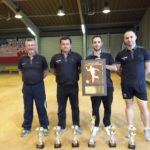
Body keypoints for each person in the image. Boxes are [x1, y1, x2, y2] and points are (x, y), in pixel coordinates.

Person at [115, 30, 150, 141]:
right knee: (128, 106)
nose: (129, 39)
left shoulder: (143, 51)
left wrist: (140, 78)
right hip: (126, 85)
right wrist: (125, 78)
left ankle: (147, 130)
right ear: (124, 40)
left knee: (143, 108)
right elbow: (117, 70)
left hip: (140, 85)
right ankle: (130, 128)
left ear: (135, 37)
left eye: (131, 37)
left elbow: (148, 68)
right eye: (126, 38)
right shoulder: (120, 54)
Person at [50, 36, 82, 134]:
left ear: (70, 45)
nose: (65, 46)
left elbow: (81, 69)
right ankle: (62, 126)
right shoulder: (55, 57)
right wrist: (60, 75)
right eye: (63, 44)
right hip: (61, 87)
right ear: (60, 45)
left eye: (67, 44)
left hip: (73, 86)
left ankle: (76, 125)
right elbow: (52, 70)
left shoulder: (77, 56)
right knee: (61, 107)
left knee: (75, 107)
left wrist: (74, 75)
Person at [86, 35, 117, 136]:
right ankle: (95, 125)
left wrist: (102, 64)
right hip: (94, 87)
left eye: (98, 42)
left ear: (101, 43)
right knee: (95, 107)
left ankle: (107, 124)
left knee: (107, 107)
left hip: (108, 86)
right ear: (92, 44)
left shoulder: (108, 56)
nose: (96, 44)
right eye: (94, 42)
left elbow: (115, 68)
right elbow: (86, 72)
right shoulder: (88, 58)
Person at [18, 38, 50, 137]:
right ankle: (27, 127)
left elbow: (45, 71)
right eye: (28, 45)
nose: (30, 47)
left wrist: (38, 79)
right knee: (27, 107)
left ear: (35, 46)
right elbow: (20, 71)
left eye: (32, 45)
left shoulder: (41, 58)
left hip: (38, 86)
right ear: (25, 47)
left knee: (41, 107)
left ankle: (44, 126)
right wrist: (26, 79)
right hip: (27, 87)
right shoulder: (22, 59)